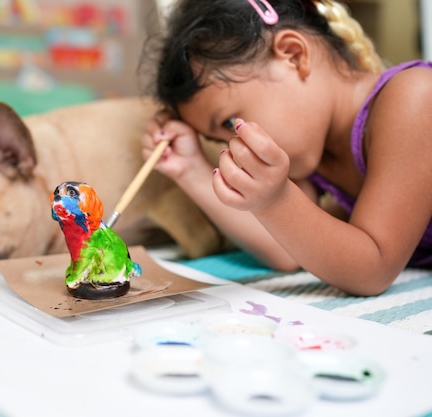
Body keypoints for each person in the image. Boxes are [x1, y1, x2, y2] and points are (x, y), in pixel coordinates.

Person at [141, 0, 432, 296]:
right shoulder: (315, 154)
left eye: (230, 122)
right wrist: (190, 169)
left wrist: (277, 198)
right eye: (218, 140)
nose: (236, 144)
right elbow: (286, 251)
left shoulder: (414, 96)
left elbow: (373, 269)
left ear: (293, 55)